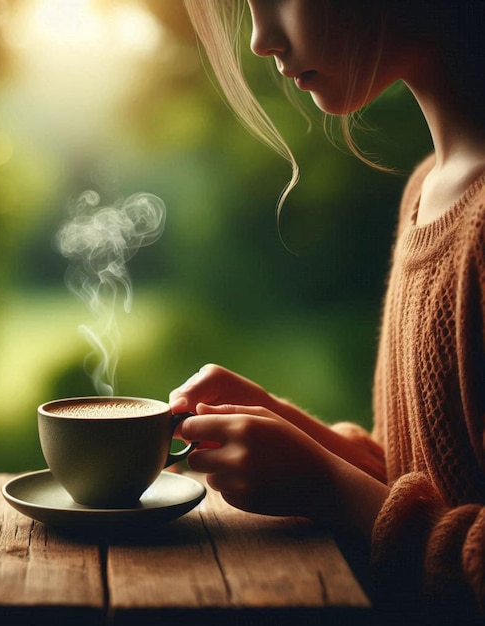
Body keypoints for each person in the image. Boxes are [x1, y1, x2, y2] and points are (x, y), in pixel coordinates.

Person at [169, 0, 485, 620]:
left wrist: (330, 489)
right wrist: (302, 439)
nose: (260, 40)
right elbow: (437, 485)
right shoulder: (428, 188)